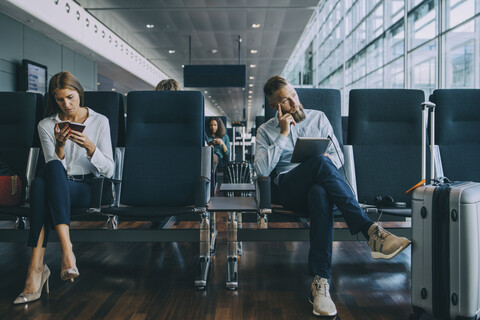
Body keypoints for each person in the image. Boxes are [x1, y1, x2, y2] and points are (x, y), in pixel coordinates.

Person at [254, 75, 411, 317]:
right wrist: (283, 134)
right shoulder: (266, 131)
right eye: (286, 101)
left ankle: (320, 284)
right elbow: (262, 170)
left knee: (319, 192)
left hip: (319, 185)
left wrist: (323, 162)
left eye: (294, 95)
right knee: (319, 163)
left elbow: (338, 158)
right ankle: (370, 231)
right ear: (275, 106)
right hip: (289, 187)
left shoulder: (319, 118)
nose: (294, 103)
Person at [14, 72, 114, 304]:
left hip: (86, 188)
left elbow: (109, 170)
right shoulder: (46, 125)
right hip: (58, 186)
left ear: (79, 93)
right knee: (46, 178)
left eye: (70, 97)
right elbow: (53, 166)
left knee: (40, 186)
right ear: (53, 99)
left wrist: (91, 148)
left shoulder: (100, 121)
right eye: (59, 100)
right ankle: (66, 252)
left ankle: (37, 268)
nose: (66, 104)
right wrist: (59, 147)